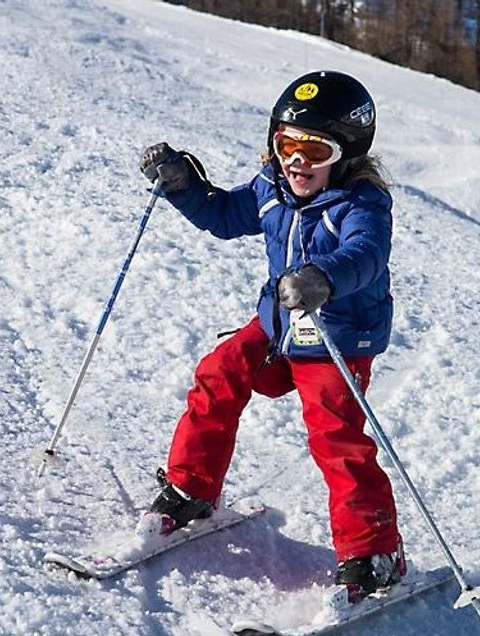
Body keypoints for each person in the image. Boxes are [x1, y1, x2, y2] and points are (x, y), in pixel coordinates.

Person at [138, 71, 404, 601]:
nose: (297, 160)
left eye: (315, 148)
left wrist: (323, 279)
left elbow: (366, 256)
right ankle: (192, 488)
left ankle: (375, 554)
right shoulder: (271, 189)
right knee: (219, 371)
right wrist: (183, 185)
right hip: (279, 324)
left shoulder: (362, 206)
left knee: (335, 435)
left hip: (336, 336)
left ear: (346, 153)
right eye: (286, 144)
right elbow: (223, 213)